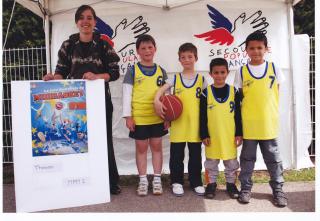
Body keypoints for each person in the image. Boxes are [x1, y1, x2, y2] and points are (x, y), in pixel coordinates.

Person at [43, 5, 121, 195]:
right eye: (81, 18)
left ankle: (110, 182)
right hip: (74, 103)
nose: (85, 21)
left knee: (104, 140)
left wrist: (97, 76)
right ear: (77, 22)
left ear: (94, 21)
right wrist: (54, 77)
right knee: (76, 140)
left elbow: (115, 73)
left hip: (101, 100)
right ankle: (79, 181)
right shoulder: (68, 45)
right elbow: (61, 71)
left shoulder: (104, 45)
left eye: (89, 18)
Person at [233, 31, 287, 207]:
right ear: (246, 50)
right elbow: (240, 97)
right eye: (252, 48)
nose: (256, 51)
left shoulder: (273, 68)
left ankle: (278, 190)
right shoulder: (241, 72)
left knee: (273, 159)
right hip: (249, 125)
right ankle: (246, 189)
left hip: (268, 125)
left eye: (259, 48)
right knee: (247, 160)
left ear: (266, 49)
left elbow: (275, 93)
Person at [154, 43, 209, 197]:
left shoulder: (202, 80)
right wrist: (157, 101)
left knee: (195, 156)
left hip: (195, 124)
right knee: (176, 156)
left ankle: (196, 182)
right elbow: (161, 91)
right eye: (183, 57)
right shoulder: (175, 79)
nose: (187, 60)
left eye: (190, 57)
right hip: (178, 124)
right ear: (179, 59)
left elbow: (206, 103)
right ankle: (176, 182)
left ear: (196, 58)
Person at [122, 34, 169, 196]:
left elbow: (166, 97)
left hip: (157, 117)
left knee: (156, 147)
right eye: (143, 48)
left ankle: (157, 179)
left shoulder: (161, 71)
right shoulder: (132, 71)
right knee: (141, 148)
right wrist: (128, 116)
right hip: (139, 117)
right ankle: (142, 180)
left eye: (150, 47)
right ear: (137, 51)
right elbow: (127, 94)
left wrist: (167, 117)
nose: (147, 50)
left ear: (155, 49)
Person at [200, 58, 242, 199]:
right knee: (211, 161)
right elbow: (202, 116)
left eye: (222, 72)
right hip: (212, 135)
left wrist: (239, 133)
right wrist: (204, 134)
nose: (219, 75)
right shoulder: (206, 93)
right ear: (211, 74)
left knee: (231, 162)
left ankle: (231, 184)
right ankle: (211, 184)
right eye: (216, 72)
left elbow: (238, 115)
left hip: (229, 135)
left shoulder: (234, 91)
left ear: (227, 72)